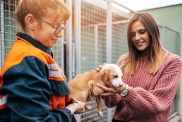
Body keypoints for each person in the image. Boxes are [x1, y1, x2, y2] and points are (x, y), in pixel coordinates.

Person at [0, 0, 85, 121]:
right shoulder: (29, 59)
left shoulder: (39, 55)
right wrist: (72, 109)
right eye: (56, 26)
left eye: (62, 27)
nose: (60, 34)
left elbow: (52, 99)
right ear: (31, 22)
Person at [97, 12, 182, 122]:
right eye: (133, 34)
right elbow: (112, 102)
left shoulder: (172, 61)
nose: (137, 38)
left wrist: (126, 91)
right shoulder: (124, 60)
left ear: (152, 32)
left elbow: (159, 102)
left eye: (142, 32)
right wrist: (106, 82)